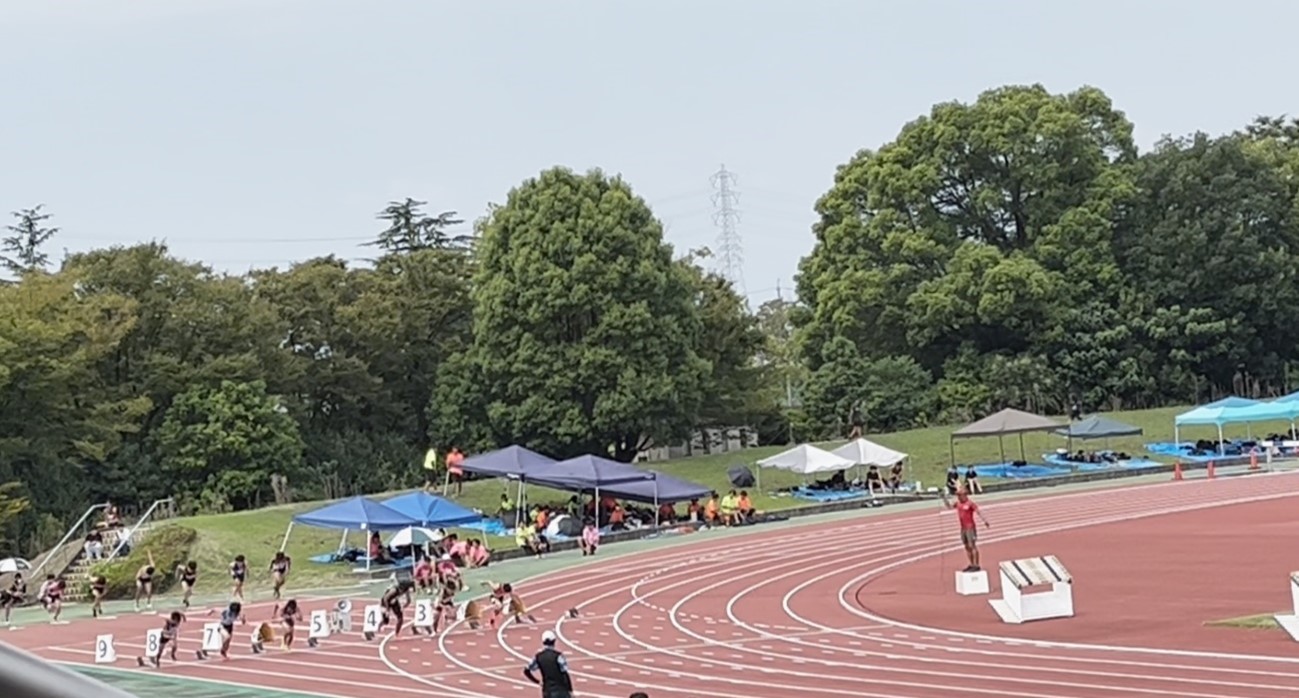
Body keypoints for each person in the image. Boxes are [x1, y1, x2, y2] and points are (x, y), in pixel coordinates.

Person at [941, 487, 991, 572]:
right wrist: (944, 499)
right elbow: (949, 506)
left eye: (960, 495)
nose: (958, 497)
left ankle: (976, 564)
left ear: (964, 495)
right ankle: (971, 564)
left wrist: (985, 520)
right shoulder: (958, 503)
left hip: (970, 527)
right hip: (963, 528)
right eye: (958, 495)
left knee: (972, 546)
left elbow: (978, 511)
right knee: (967, 546)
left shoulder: (970, 503)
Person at [523, 629, 573, 698]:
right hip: (561, 690)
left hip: (547, 691)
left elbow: (526, 670)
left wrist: (537, 681)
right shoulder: (558, 656)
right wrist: (570, 690)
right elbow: (565, 674)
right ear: (554, 641)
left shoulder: (538, 657)